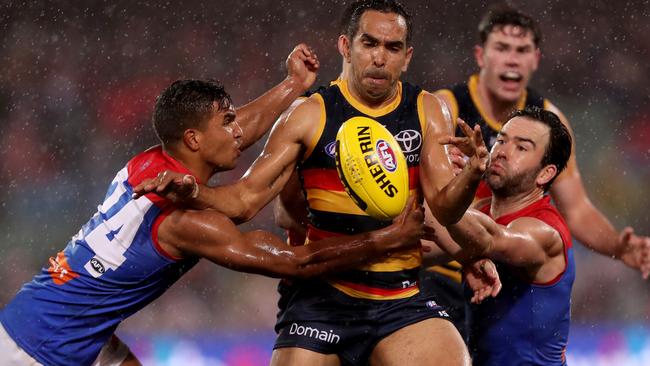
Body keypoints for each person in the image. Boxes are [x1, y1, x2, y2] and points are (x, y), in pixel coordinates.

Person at [0, 48, 433, 366]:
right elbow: (297, 263)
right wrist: (387, 239)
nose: (239, 132)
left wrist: (291, 87)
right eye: (227, 123)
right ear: (194, 141)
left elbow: (238, 127)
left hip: (50, 317)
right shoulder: (189, 224)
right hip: (38, 349)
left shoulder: (147, 162)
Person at [134, 1, 497, 365]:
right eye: (369, 44)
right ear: (345, 46)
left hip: (400, 297)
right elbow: (245, 200)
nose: (380, 58)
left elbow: (445, 208)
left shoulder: (428, 109)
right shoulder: (309, 115)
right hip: (323, 297)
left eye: (392, 48)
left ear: (407, 56)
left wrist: (471, 174)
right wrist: (195, 191)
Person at [423, 4, 650, 340]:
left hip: (508, 270)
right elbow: (429, 201)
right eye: (501, 49)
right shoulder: (446, 109)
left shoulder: (551, 121)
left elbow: (577, 209)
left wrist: (618, 246)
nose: (512, 59)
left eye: (522, 50)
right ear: (481, 56)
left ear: (535, 60)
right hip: (445, 270)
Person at [439, 106, 575, 365]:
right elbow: (423, 240)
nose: (501, 151)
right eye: (500, 140)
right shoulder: (480, 211)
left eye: (521, 148)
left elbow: (488, 239)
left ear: (546, 173)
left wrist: (450, 180)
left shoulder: (545, 231)